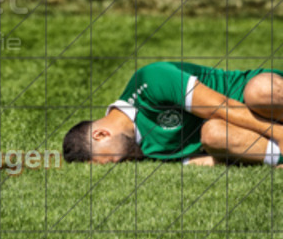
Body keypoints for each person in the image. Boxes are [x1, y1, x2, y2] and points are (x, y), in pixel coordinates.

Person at [63, 61, 283, 167]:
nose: (117, 163)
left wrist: (280, 135)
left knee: (261, 91)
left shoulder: (149, 80)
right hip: (238, 129)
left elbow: (222, 107)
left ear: (100, 134)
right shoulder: (142, 150)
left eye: (108, 160)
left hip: (248, 100)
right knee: (213, 133)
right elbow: (206, 161)